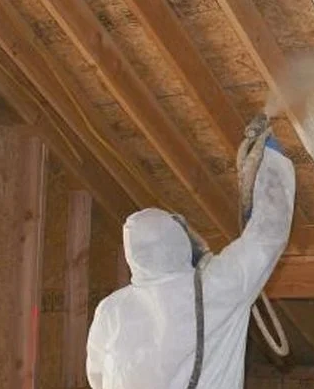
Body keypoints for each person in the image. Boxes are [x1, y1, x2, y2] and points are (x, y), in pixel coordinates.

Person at [85, 120, 295, 389]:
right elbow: (267, 235)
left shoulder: (110, 311)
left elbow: (98, 378)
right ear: (179, 242)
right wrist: (271, 158)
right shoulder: (216, 287)